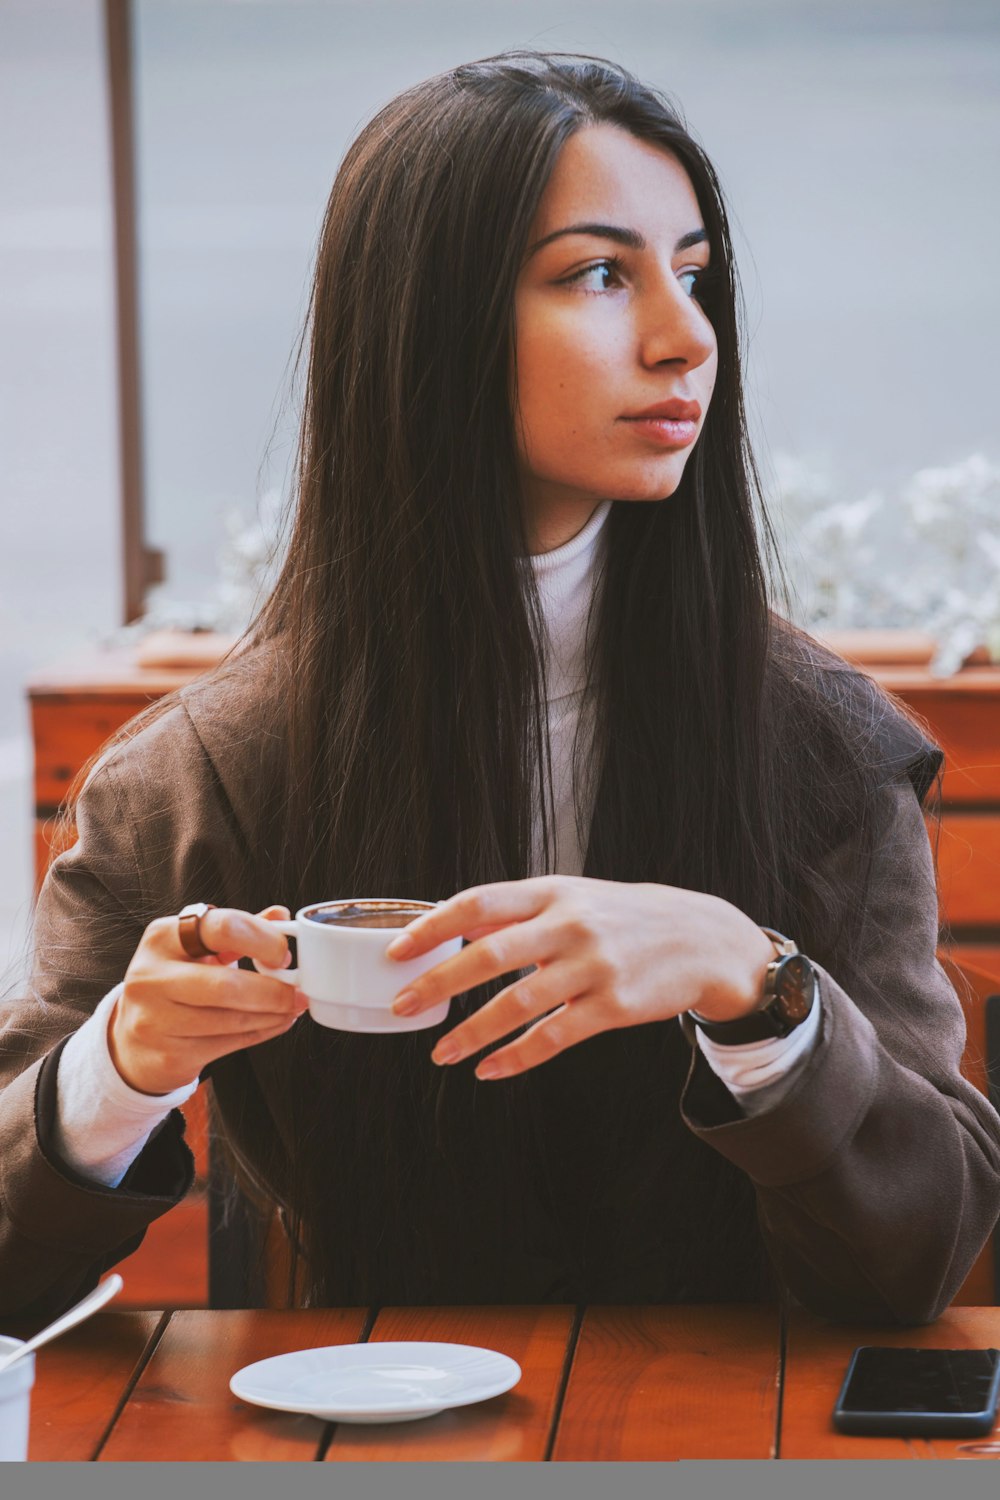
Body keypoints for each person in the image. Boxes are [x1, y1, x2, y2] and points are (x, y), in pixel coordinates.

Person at [2, 51, 998, 1323]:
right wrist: (120, 1070)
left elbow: (924, 1257)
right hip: (344, 1437)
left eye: (693, 275)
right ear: (429, 318)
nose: (685, 334)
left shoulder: (826, 753)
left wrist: (754, 984)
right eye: (599, 273)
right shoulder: (196, 781)